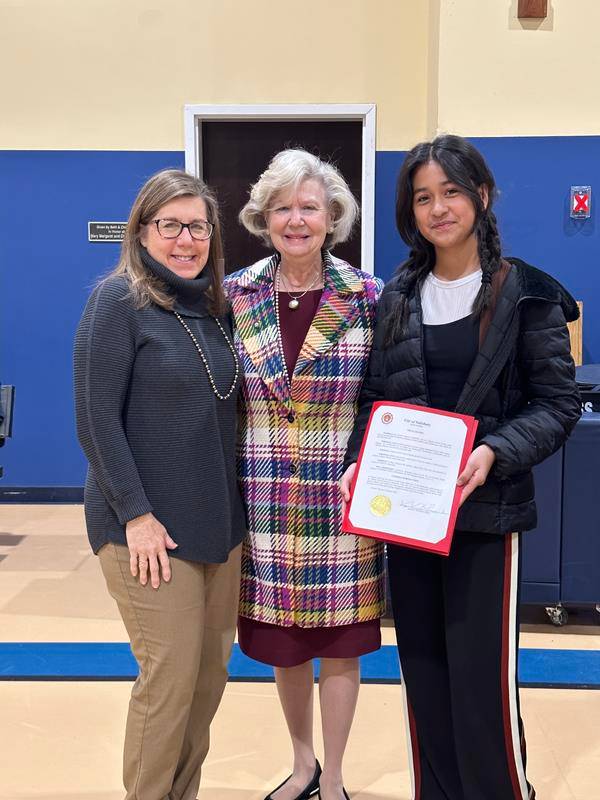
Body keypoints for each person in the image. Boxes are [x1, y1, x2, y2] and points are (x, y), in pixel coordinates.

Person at [341, 135, 581, 800]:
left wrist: (493, 451)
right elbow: (375, 400)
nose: (438, 207)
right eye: (423, 197)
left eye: (451, 191)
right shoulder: (398, 295)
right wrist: (362, 461)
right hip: (409, 519)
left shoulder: (525, 294)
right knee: (423, 676)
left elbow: (557, 404)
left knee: (481, 687)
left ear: (482, 195)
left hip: (485, 516)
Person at [74, 169, 246, 800]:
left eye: (197, 226)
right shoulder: (118, 299)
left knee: (207, 683)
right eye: (169, 225)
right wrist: (136, 515)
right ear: (142, 231)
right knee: (169, 679)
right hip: (145, 529)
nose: (185, 239)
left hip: (218, 529)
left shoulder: (214, 310)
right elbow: (95, 417)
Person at [224, 149, 386, 800]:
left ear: (333, 217)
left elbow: (384, 395)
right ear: (263, 216)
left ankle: (338, 776)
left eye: (309, 207)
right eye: (284, 207)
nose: (296, 220)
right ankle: (302, 765)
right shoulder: (234, 293)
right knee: (285, 646)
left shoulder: (368, 296)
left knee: (340, 643)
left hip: (340, 496)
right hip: (261, 496)